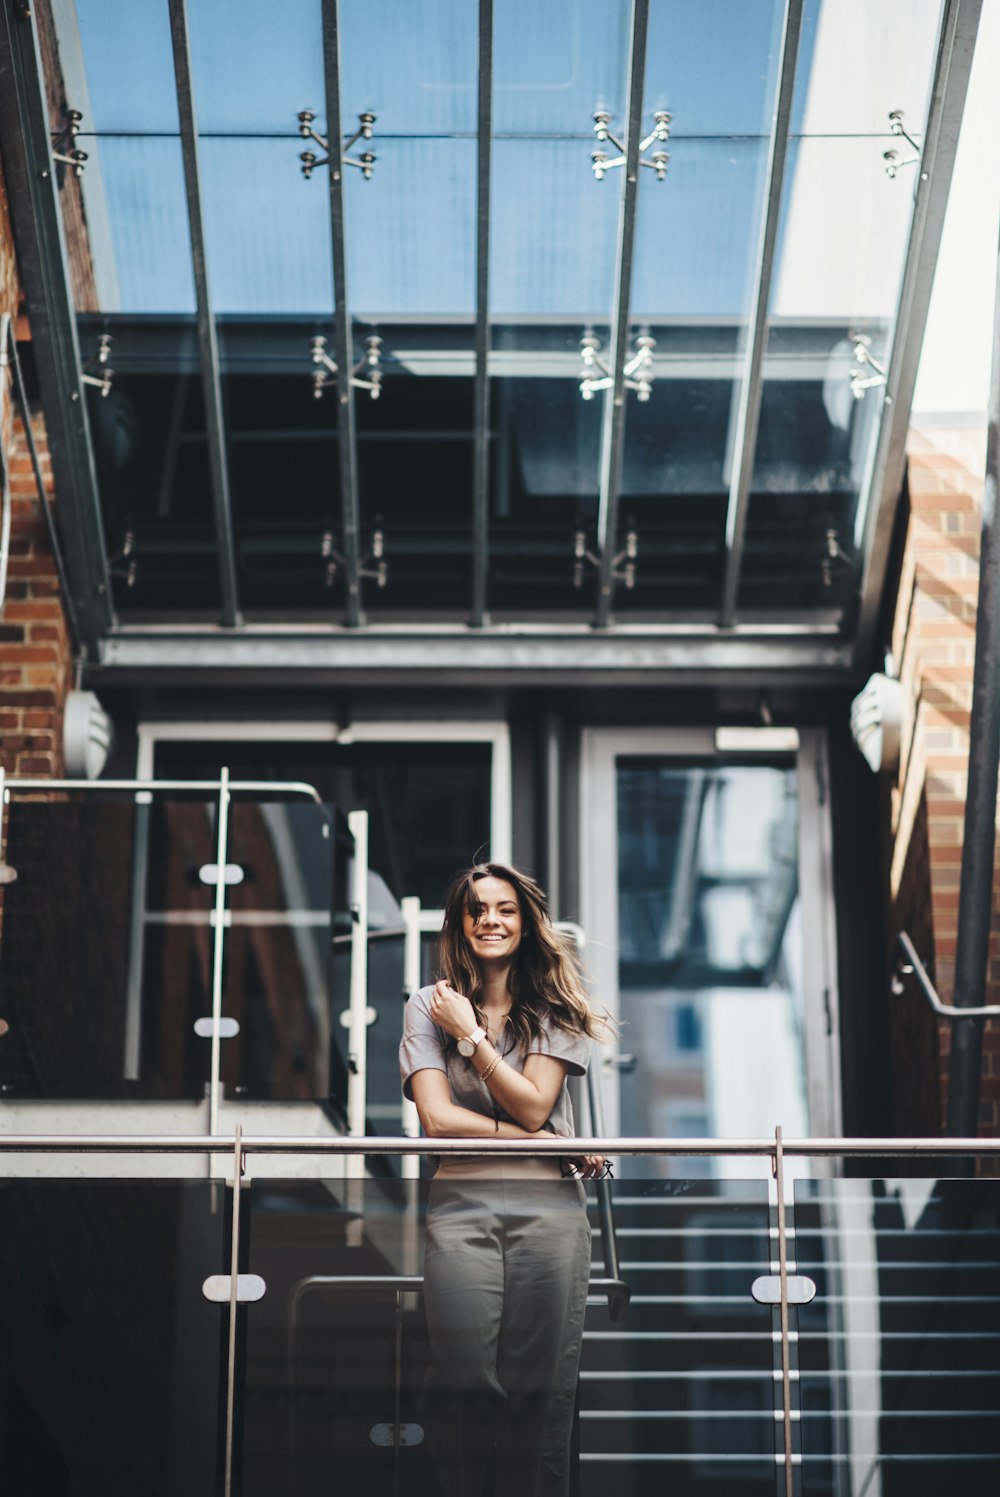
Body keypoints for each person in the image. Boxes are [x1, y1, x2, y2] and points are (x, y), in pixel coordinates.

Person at [398, 862, 610, 1497]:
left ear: (526, 922)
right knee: (461, 1373)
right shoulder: (425, 1006)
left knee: (539, 1390)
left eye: (506, 908)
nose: (490, 918)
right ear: (460, 924)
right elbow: (436, 1120)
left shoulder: (555, 1008)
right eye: (477, 908)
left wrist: (470, 1038)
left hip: (550, 1215)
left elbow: (532, 1104)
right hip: (460, 1208)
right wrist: (545, 1145)